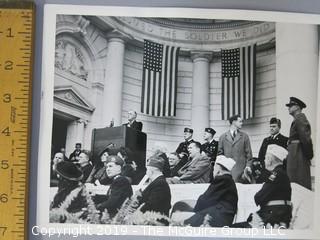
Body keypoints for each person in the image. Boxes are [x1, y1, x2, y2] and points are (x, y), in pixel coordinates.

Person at [233, 144, 292, 228]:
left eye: (265, 158)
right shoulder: (281, 173)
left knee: (234, 229)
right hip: (275, 215)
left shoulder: (276, 174)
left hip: (272, 218)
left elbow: (259, 197)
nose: (264, 161)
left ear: (270, 160)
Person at [171, 155, 238, 227]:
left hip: (218, 216)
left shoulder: (222, 179)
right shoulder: (228, 180)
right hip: (222, 215)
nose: (213, 170)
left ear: (218, 169)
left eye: (214, 167)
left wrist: (196, 207)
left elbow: (205, 199)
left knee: (181, 213)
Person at [286, 97, 313, 190]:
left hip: (298, 156)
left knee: (299, 182)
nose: (288, 108)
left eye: (290, 105)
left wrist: (308, 155)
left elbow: (305, 139)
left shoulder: (300, 118)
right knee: (294, 182)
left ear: (297, 107)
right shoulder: (297, 119)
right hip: (295, 155)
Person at [218, 114, 253, 182]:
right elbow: (220, 156)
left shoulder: (244, 136)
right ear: (234, 122)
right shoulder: (222, 137)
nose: (242, 123)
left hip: (241, 173)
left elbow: (249, 155)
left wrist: (248, 167)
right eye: (240, 121)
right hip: (227, 172)